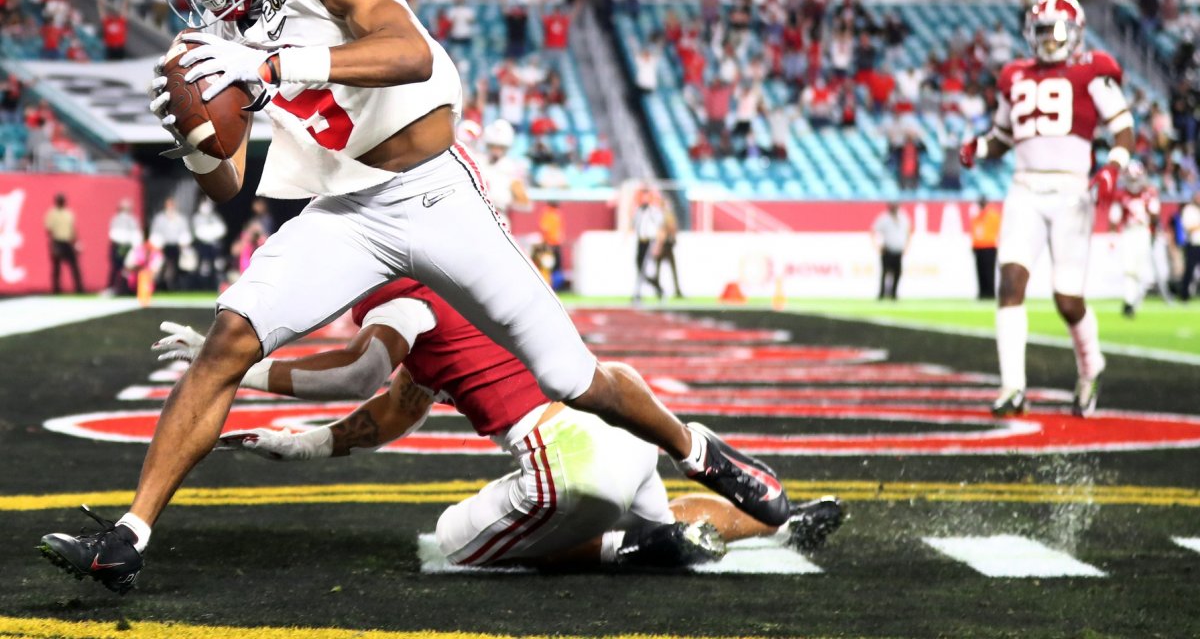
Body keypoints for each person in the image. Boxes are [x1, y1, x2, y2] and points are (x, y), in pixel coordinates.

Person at [39, 0, 789, 596]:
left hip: (434, 194)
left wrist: (269, 70)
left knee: (570, 375)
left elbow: (407, 53)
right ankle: (128, 536)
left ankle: (700, 451)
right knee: (229, 334)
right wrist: (197, 143)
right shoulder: (208, 44)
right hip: (346, 210)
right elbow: (229, 181)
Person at [151, 279, 844, 569]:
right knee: (655, 510)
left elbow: (359, 373)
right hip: (619, 423)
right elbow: (395, 406)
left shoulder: (400, 287)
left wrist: (236, 367)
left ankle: (632, 552)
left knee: (452, 543)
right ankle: (779, 521)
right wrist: (311, 446)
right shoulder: (474, 279)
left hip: (560, 455)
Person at [960, 0, 1136, 417]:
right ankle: (1012, 388)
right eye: (1043, 31)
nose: (1050, 40)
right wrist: (980, 147)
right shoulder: (1014, 75)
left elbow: (1124, 127)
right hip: (1024, 189)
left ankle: (1091, 365)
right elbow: (1003, 137)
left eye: (1057, 31)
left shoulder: (1092, 70)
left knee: (1067, 300)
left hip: (1073, 191)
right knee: (1010, 283)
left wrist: (1113, 166)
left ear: (1074, 33)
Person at [1110, 161, 1167, 316]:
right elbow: (1115, 217)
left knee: (1141, 269)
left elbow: (1155, 216)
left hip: (1143, 232)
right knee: (1128, 268)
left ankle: (1135, 299)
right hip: (1128, 232)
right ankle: (1129, 301)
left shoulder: (1149, 193)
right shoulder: (1121, 195)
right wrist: (1114, 237)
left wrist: (1154, 233)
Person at [477, 119, 530, 221]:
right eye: (493, 146)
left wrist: (514, 196)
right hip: (479, 213)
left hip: (500, 214)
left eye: (500, 147)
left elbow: (524, 203)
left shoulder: (512, 167)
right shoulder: (479, 162)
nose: (496, 151)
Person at [149, 197, 191, 292]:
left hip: (176, 247)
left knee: (175, 267)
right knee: (160, 266)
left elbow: (185, 233)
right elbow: (155, 233)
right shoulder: (159, 219)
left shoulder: (181, 219)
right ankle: (160, 285)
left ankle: (172, 285)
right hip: (163, 247)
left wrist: (183, 243)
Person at [44, 193, 82, 294]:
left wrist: (76, 242)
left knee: (74, 266)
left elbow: (72, 229)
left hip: (67, 241)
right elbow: (49, 228)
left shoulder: (68, 213)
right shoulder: (52, 213)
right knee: (57, 267)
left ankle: (79, 288)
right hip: (57, 241)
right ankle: (56, 289)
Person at [871, 201, 910, 300]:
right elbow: (873, 230)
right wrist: (877, 246)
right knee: (885, 273)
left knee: (897, 273)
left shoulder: (903, 218)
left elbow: (908, 232)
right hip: (887, 250)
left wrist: (907, 246)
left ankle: (894, 294)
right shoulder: (884, 219)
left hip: (899, 250)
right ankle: (882, 294)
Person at [632, 188, 664, 303]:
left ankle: (637, 294)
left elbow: (660, 229)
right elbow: (636, 226)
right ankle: (658, 289)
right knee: (640, 268)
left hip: (650, 241)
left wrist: (658, 245)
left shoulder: (654, 211)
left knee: (644, 268)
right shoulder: (639, 211)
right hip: (641, 241)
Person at [106, 199, 141, 295]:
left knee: (129, 269)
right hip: (118, 247)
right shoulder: (116, 219)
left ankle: (128, 288)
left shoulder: (133, 220)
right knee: (116, 268)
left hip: (128, 247)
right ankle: (111, 288)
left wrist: (135, 248)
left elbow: (136, 235)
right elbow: (113, 234)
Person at [191, 198, 227, 291]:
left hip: (214, 248)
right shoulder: (196, 218)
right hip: (202, 248)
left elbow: (222, 230)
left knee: (218, 265)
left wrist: (209, 232)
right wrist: (210, 232)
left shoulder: (215, 217)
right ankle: (203, 288)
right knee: (204, 268)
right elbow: (198, 233)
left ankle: (217, 287)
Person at [970, 197, 1001, 300]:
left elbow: (998, 229)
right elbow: (975, 232)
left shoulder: (992, 215)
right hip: (979, 247)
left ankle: (990, 293)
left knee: (989, 272)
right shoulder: (978, 216)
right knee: (980, 271)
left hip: (990, 246)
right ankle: (982, 293)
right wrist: (973, 245)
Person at [655, 196, 683, 299]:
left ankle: (661, 290)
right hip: (666, 244)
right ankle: (673, 290)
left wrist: (659, 245)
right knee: (668, 269)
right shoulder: (664, 215)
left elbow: (668, 230)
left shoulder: (664, 215)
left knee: (662, 269)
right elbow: (668, 230)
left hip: (666, 244)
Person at [1181, 191, 1200, 302]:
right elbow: (1189, 227)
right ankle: (1184, 295)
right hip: (1194, 244)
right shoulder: (1189, 210)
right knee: (1189, 270)